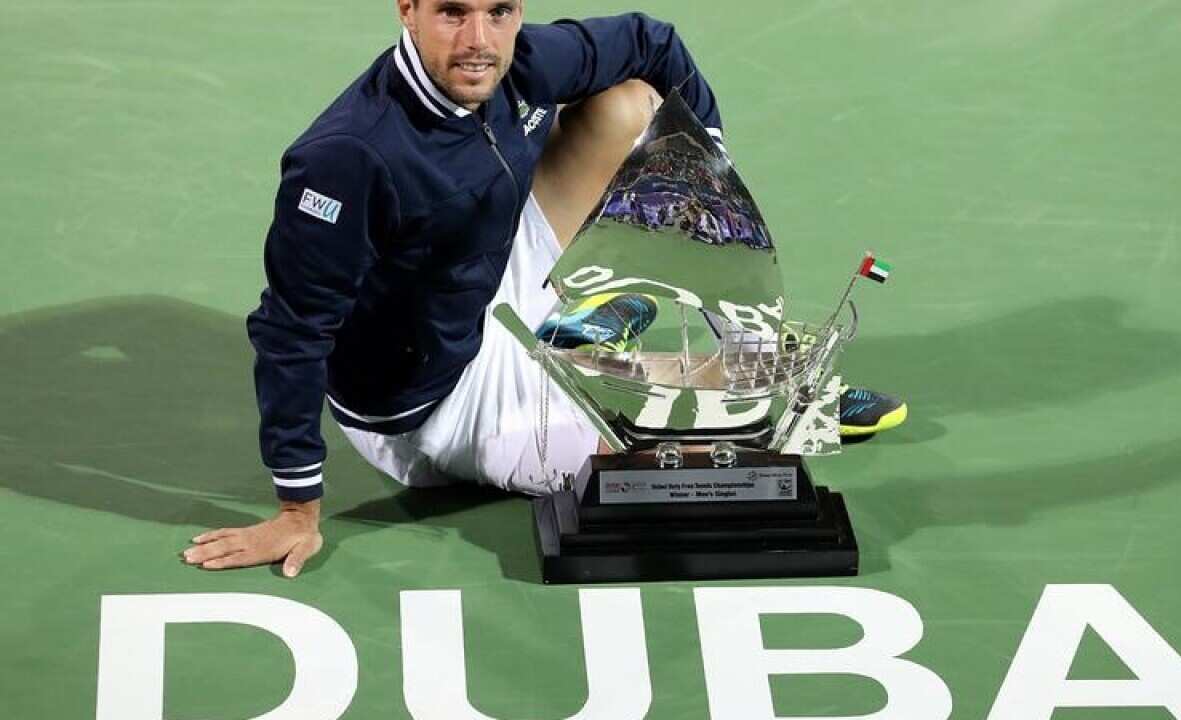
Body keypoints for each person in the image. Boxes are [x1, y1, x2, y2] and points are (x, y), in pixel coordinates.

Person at [183, 0, 904, 577]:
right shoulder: (348, 157)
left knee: (633, 109)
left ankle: (736, 360)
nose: (478, 41)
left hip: (489, 278)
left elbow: (653, 41)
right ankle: (712, 387)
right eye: (452, 13)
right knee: (659, 466)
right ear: (406, 9)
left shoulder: (519, 65)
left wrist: (713, 182)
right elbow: (290, 332)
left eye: (499, 11)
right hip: (433, 402)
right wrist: (296, 508)